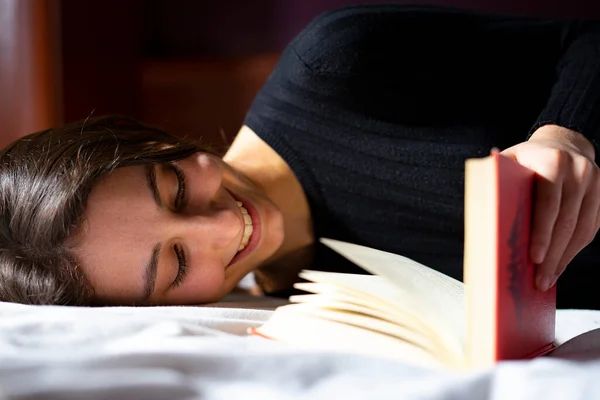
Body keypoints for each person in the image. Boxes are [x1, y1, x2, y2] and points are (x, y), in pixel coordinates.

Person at [1, 4, 599, 308]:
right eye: (176, 265)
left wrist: (565, 134)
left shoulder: (337, 63)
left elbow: (587, 39)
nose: (223, 226)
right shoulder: (292, 308)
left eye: (178, 189)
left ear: (155, 141)